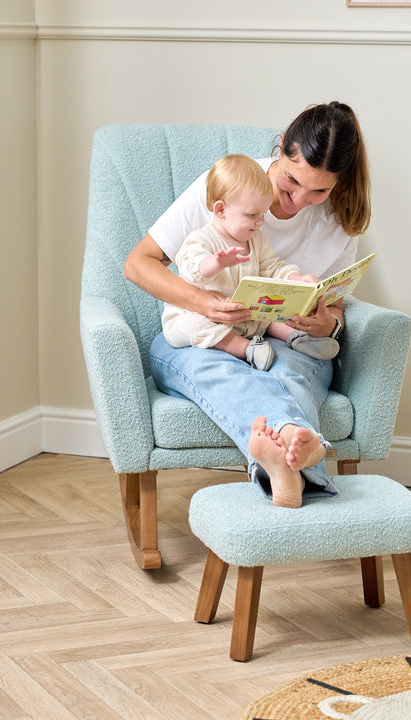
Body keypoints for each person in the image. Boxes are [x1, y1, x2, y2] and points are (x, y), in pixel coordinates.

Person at [124, 101, 370, 508]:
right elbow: (137, 264)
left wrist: (325, 324)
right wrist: (204, 303)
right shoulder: (231, 183)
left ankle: (281, 467)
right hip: (203, 337)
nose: (298, 200)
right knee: (227, 370)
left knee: (287, 367)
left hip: (280, 340)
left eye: (319, 190)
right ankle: (303, 455)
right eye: (291, 181)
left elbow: (336, 311)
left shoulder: (340, 219)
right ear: (280, 148)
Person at [161, 153, 340, 372]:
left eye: (263, 213)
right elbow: (190, 269)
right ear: (221, 210)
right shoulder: (201, 239)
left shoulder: (257, 239)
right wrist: (214, 263)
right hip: (206, 317)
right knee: (193, 325)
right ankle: (245, 348)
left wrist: (297, 278)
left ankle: (298, 337)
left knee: (275, 314)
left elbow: (272, 268)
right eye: (252, 214)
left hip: (246, 318)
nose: (260, 222)